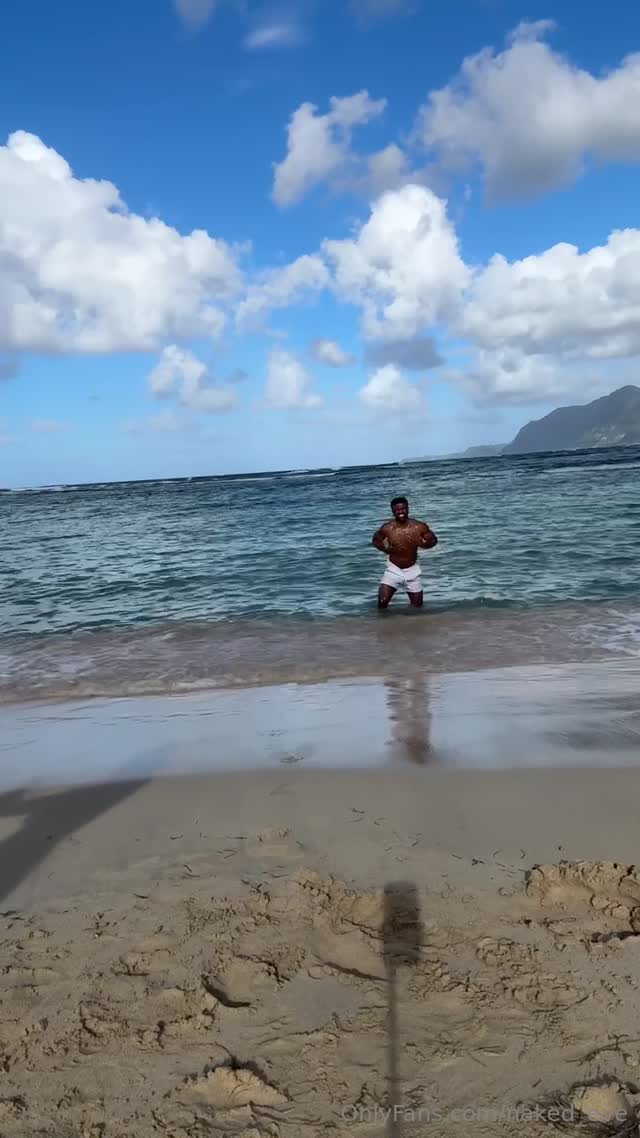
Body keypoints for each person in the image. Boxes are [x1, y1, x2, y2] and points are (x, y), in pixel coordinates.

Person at [371, 496, 438, 609]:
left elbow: (433, 540)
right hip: (393, 569)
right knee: (382, 602)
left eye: (403, 509)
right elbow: (376, 540)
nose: (400, 512)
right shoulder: (387, 528)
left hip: (412, 571)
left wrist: (423, 545)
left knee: (417, 607)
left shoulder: (419, 526)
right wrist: (384, 549)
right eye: (397, 510)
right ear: (393, 511)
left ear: (408, 508)